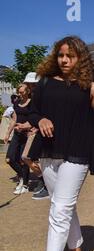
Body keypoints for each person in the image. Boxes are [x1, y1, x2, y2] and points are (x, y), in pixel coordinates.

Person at [29, 36, 94, 251]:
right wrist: (39, 120)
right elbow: (32, 111)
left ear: (80, 58)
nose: (64, 60)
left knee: (60, 210)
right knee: (63, 205)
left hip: (78, 154)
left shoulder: (92, 88)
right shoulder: (44, 83)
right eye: (61, 55)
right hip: (48, 153)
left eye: (70, 56)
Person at [15, 72, 50, 200]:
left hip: (41, 132)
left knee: (30, 157)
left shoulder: (42, 96)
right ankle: (44, 182)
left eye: (32, 84)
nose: (30, 86)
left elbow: (42, 115)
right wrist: (25, 125)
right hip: (36, 131)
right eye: (29, 84)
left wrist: (30, 126)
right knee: (30, 158)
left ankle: (47, 184)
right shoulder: (37, 96)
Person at [4, 84, 32, 195]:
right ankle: (21, 177)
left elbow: (33, 119)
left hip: (27, 135)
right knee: (9, 159)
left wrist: (25, 126)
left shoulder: (32, 103)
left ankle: (25, 185)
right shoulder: (16, 103)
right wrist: (7, 133)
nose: (20, 94)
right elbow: (14, 120)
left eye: (22, 92)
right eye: (19, 92)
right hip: (16, 135)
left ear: (28, 91)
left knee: (23, 160)